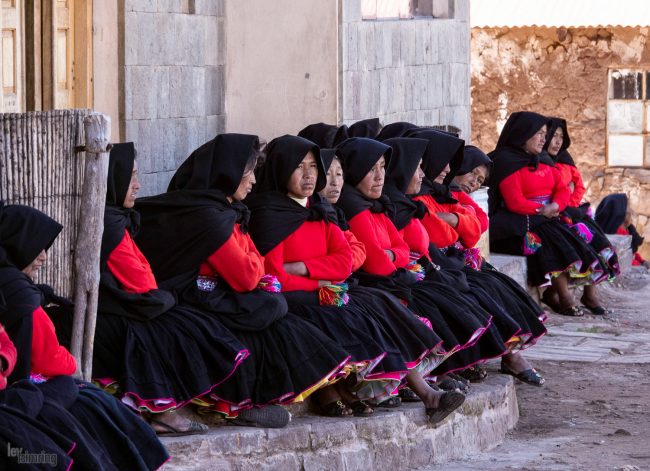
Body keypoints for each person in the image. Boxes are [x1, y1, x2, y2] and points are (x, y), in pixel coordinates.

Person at [134, 134, 350, 425]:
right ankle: (242, 406)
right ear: (228, 172)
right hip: (194, 295)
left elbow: (256, 264)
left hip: (220, 290)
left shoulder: (225, 211)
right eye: (248, 173)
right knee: (270, 310)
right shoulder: (209, 217)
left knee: (275, 309)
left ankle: (257, 401)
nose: (253, 181)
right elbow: (249, 276)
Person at [247, 135, 465, 423]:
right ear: (280, 168)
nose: (311, 175)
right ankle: (348, 392)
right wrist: (321, 286)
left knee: (376, 307)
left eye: (314, 167)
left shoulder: (319, 210)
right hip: (296, 297)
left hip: (328, 290)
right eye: (300, 166)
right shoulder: (268, 215)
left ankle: (427, 393)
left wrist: (304, 267)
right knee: (350, 315)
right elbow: (275, 278)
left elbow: (344, 261)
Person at [83, 143, 253, 436]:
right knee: (169, 328)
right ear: (114, 179)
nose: (138, 185)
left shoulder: (116, 219)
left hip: (124, 303)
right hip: (106, 312)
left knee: (182, 321)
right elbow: (141, 281)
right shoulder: (108, 225)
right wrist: (163, 296)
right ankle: (164, 411)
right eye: (131, 177)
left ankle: (172, 410)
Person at [0, 203, 169, 469]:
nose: (44, 257)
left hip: (14, 392)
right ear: (19, 243)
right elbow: (47, 360)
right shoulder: (20, 296)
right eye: (38, 247)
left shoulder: (10, 286)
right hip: (17, 397)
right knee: (91, 407)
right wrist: (69, 361)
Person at [335, 137, 511, 390]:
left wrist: (395, 254)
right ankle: (416, 383)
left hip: (405, 273)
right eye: (372, 169)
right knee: (430, 299)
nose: (379, 176)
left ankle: (436, 375)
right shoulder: (357, 206)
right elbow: (378, 264)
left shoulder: (381, 204)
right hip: (379, 282)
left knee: (469, 288)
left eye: (382, 168)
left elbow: (405, 250)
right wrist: (395, 255)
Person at [488, 112, 611, 316]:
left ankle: (569, 293)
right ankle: (563, 297)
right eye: (539, 134)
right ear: (522, 134)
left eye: (545, 133)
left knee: (582, 228)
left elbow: (562, 188)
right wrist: (542, 211)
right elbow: (515, 201)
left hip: (548, 214)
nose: (544, 139)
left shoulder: (543, 159)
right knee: (548, 237)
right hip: (516, 222)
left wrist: (555, 206)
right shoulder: (505, 161)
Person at [544, 117, 620, 293]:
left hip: (569, 209)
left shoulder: (565, 160)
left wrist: (568, 203)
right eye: (553, 136)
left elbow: (577, 186)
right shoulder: (539, 161)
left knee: (592, 233)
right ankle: (564, 295)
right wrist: (563, 201)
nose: (557, 141)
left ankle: (590, 293)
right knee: (574, 236)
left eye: (561, 137)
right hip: (553, 212)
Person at [595, 193, 649, 268]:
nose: (630, 211)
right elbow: (624, 260)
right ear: (620, 212)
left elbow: (631, 252)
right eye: (628, 207)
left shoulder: (628, 229)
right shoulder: (617, 236)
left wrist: (642, 261)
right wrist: (640, 265)